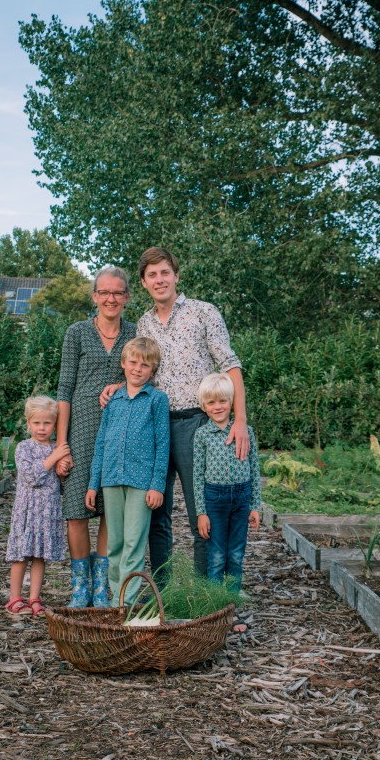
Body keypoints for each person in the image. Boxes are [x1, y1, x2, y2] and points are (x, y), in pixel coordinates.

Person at [100, 246, 250, 578]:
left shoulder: (203, 312)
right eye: (152, 274)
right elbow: (140, 368)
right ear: (143, 282)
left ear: (176, 275)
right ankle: (164, 592)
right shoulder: (143, 323)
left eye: (165, 272)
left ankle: (204, 595)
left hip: (196, 423)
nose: (159, 279)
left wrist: (239, 419)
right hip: (153, 426)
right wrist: (117, 387)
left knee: (203, 514)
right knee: (155, 513)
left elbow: (231, 365)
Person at [56, 267, 136, 607]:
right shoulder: (77, 333)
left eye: (117, 293)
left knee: (108, 508)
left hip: (120, 432)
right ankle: (80, 585)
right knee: (76, 509)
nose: (111, 298)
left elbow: (146, 373)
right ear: (94, 296)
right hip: (80, 432)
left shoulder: (134, 333)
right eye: (104, 292)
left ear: (127, 297)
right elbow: (64, 389)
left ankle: (102, 585)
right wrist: (61, 446)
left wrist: (120, 385)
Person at [86, 337, 170, 606]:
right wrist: (93, 482)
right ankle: (116, 595)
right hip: (111, 479)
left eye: (145, 365)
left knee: (134, 543)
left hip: (141, 482)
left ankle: (125, 603)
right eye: (133, 362)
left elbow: (163, 443)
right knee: (115, 544)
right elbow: (101, 442)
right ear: (123, 364)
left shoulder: (156, 399)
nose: (137, 369)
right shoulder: (112, 400)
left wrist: (157, 485)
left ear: (152, 369)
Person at [193, 373, 261, 623]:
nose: (217, 407)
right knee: (217, 556)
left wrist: (255, 506)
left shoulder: (245, 432)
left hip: (241, 498)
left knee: (235, 555)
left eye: (222, 401)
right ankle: (215, 612)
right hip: (214, 500)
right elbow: (197, 476)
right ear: (204, 406)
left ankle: (232, 611)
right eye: (211, 403)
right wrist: (201, 512)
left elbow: (254, 468)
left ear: (232, 402)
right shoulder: (202, 435)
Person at [5, 396, 69, 618]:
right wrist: (55, 458)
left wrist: (64, 469)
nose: (42, 428)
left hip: (47, 512)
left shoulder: (56, 448)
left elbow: (58, 483)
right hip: (27, 511)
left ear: (55, 424)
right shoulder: (25, 448)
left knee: (40, 555)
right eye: (37, 423)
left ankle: (34, 597)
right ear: (28, 423)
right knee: (21, 555)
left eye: (47, 423)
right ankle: (14, 597)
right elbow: (33, 476)